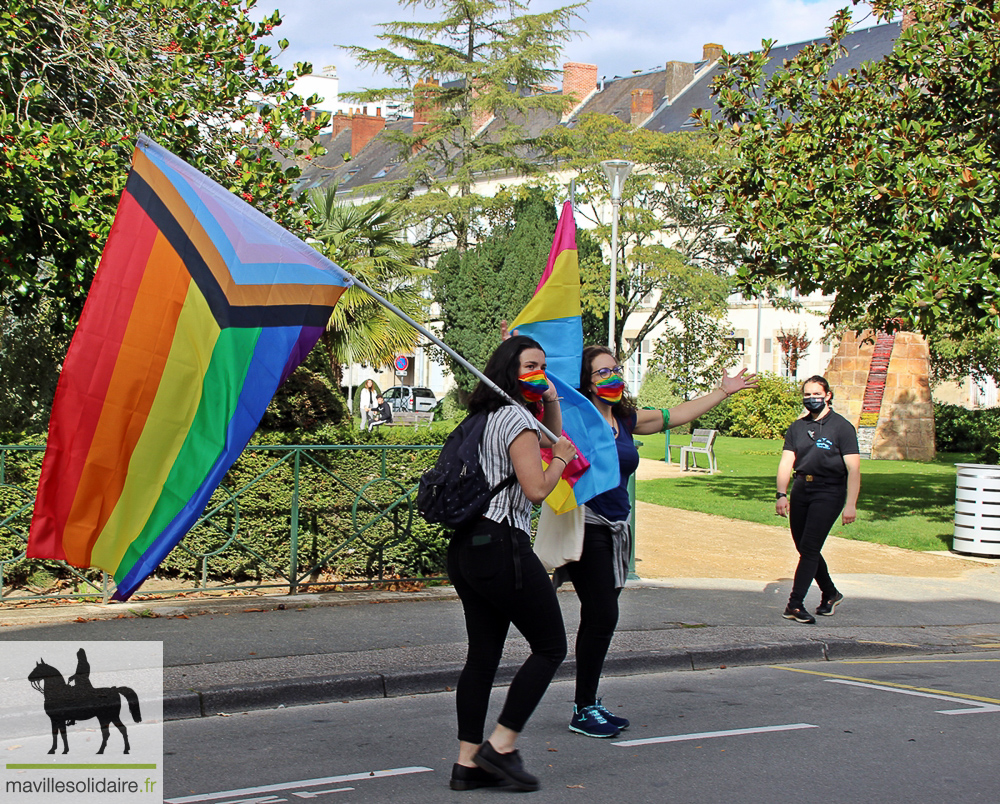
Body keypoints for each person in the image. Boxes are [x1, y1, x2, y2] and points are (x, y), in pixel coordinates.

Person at [557, 344, 758, 738]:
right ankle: (583, 708)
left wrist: (722, 392)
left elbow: (674, 415)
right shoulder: (572, 418)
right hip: (587, 524)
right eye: (602, 372)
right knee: (602, 615)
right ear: (585, 380)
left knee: (601, 616)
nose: (612, 377)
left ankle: (589, 703)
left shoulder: (626, 419)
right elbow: (530, 401)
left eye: (616, 370)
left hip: (617, 527)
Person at [448, 335, 576, 793]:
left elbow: (552, 433)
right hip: (502, 545)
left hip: (467, 547)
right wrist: (560, 460)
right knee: (551, 647)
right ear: (508, 371)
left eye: (543, 366)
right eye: (530, 366)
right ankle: (500, 746)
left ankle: (466, 763)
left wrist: (553, 399)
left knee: (482, 657)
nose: (538, 373)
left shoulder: (484, 417)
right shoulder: (517, 421)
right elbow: (538, 488)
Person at [775, 375, 860, 624]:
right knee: (804, 547)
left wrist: (851, 504)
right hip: (802, 488)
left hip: (830, 491)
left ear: (828, 395)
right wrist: (781, 494)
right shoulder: (797, 427)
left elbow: (853, 469)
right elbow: (786, 462)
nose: (812, 399)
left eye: (816, 394)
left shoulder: (842, 428)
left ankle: (795, 604)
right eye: (807, 394)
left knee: (810, 548)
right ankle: (831, 593)